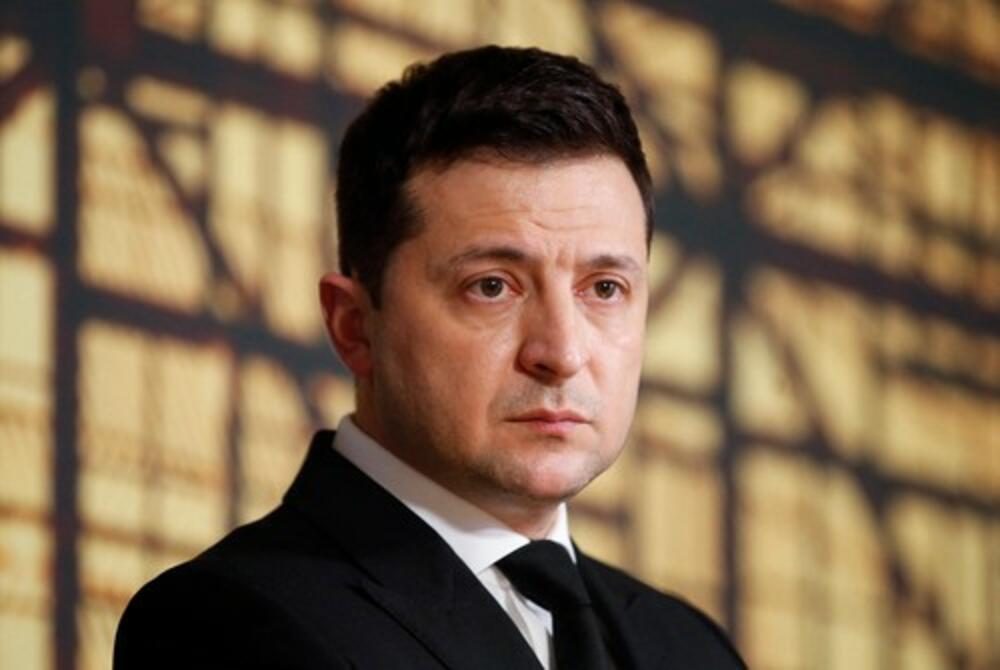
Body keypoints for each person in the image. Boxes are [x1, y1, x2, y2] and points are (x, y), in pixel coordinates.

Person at [114, 45, 746, 669]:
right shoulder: (224, 624)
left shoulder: (692, 648)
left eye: (604, 289)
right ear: (354, 327)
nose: (562, 352)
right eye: (492, 286)